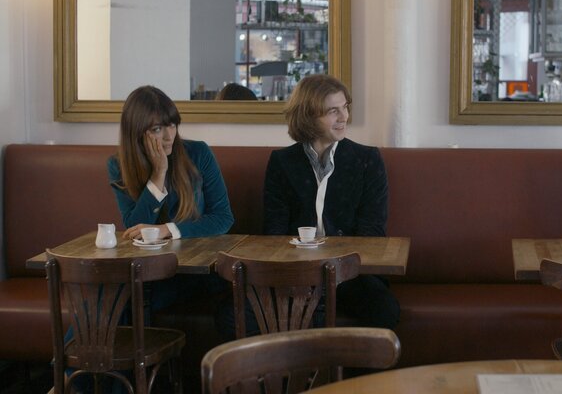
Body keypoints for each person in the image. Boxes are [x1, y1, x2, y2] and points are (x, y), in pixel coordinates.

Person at [262, 74, 400, 330]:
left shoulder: (367, 160)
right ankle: (277, 370)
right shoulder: (282, 162)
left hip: (350, 275)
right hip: (295, 273)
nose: (344, 117)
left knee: (384, 310)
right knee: (231, 313)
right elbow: (274, 232)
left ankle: (358, 372)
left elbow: (372, 232)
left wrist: (333, 270)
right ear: (309, 116)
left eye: (345, 107)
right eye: (333, 111)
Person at [108, 85, 234, 309]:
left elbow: (223, 218)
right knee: (110, 295)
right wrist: (158, 174)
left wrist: (168, 230)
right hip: (146, 271)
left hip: (196, 273)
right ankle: (86, 344)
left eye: (172, 125)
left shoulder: (199, 153)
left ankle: (77, 345)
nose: (168, 136)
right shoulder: (119, 165)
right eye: (157, 129)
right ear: (137, 132)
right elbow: (132, 225)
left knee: (119, 299)